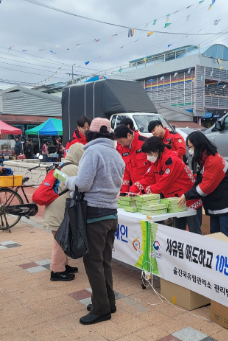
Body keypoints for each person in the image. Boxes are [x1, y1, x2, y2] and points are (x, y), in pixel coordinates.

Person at [63, 118, 125, 325]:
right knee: (105, 261)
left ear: (91, 134)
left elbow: (82, 183)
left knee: (93, 263)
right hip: (111, 214)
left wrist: (67, 181)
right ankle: (108, 301)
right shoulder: (117, 154)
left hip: (94, 215)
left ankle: (101, 309)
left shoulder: (92, 152)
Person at [129, 136, 202, 234]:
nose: (148, 157)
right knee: (178, 232)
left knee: (194, 232)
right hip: (176, 201)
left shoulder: (171, 161)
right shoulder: (157, 160)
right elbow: (148, 178)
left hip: (190, 199)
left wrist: (143, 192)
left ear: (157, 151)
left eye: (149, 153)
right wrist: (133, 190)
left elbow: (162, 185)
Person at [178, 131, 228, 244]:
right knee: (215, 237)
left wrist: (187, 195)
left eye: (191, 147)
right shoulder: (204, 158)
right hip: (216, 205)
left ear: (199, 145)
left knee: (227, 237)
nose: (190, 150)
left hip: (225, 205)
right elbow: (200, 180)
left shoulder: (213, 160)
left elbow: (205, 187)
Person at [44, 143, 85, 281]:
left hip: (54, 208)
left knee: (62, 238)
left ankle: (64, 264)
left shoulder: (61, 166)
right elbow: (83, 186)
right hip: (59, 210)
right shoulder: (74, 169)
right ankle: (56, 270)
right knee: (60, 241)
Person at [113, 125, 151, 193]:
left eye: (122, 141)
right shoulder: (123, 149)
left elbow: (154, 169)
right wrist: (123, 192)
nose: (121, 144)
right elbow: (126, 172)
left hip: (150, 188)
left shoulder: (146, 143)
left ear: (128, 135)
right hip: (135, 189)